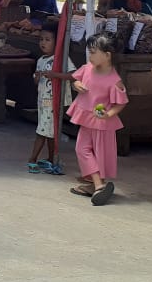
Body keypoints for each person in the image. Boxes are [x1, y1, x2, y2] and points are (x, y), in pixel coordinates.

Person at [51, 33, 128, 206]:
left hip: (102, 123)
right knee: (83, 149)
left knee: (98, 153)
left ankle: (98, 185)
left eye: (93, 52)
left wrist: (108, 114)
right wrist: (76, 85)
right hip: (87, 119)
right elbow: (75, 81)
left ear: (107, 55)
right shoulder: (87, 68)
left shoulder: (114, 81)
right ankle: (97, 185)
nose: (90, 55)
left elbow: (121, 103)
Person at [28, 22, 75, 174]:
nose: (43, 42)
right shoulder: (41, 60)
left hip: (53, 102)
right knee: (49, 131)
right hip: (43, 102)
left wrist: (55, 75)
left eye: (48, 39)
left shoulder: (61, 59)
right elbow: (36, 81)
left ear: (57, 42)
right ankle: (50, 158)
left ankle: (33, 159)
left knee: (43, 131)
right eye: (41, 39)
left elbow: (73, 75)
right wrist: (36, 77)